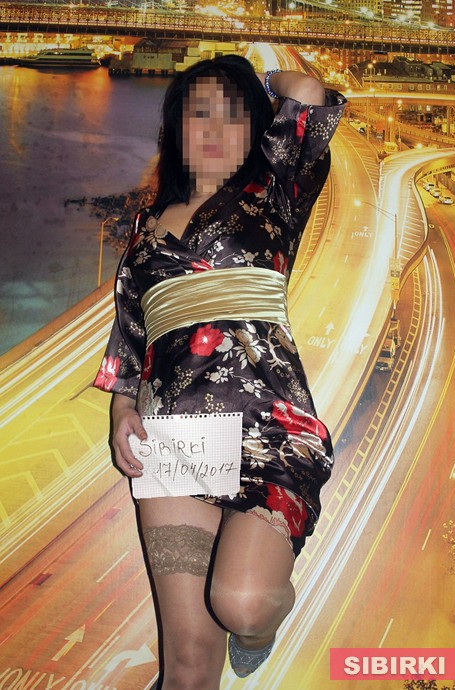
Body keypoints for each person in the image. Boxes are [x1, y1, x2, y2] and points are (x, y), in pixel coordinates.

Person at [94, 54, 346, 690]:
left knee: (244, 604)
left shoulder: (274, 188)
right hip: (172, 444)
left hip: (269, 431)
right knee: (186, 666)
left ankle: (262, 630)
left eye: (234, 116)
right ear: (175, 127)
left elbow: (308, 90)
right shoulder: (144, 230)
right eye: (198, 112)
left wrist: (262, 75)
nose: (213, 129)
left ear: (257, 128)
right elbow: (132, 334)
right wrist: (122, 409)